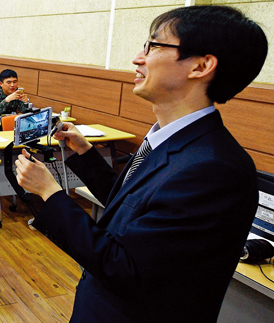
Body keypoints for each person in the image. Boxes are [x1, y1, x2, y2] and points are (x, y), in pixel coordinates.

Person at [14, 5, 268, 323]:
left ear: (201, 66)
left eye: (153, 46)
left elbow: (126, 268)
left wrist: (50, 192)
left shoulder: (214, 170)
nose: (137, 58)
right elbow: (130, 210)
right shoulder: (172, 140)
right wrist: (85, 154)